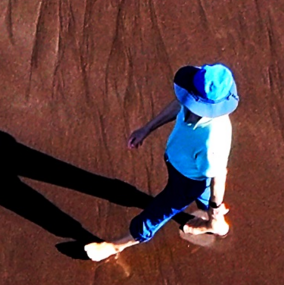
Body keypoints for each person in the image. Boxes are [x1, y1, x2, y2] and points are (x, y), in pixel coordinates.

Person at [81, 63, 236, 262]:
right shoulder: (193, 101)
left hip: (188, 181)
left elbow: (217, 175)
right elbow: (179, 104)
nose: (186, 100)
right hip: (180, 165)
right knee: (204, 196)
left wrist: (215, 207)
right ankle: (217, 224)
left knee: (155, 214)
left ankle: (114, 246)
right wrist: (147, 128)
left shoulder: (212, 141)